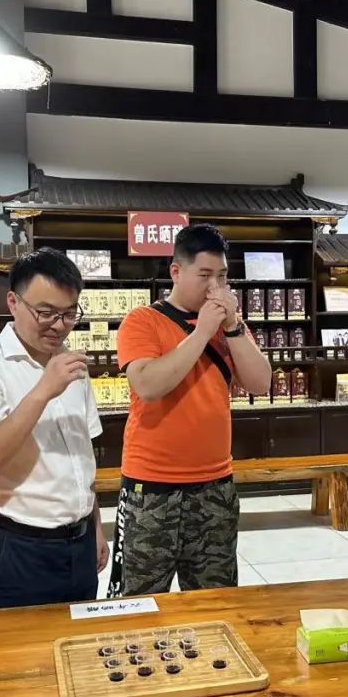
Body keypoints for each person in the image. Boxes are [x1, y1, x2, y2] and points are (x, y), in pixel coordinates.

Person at [108, 223, 272, 597]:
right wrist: (201, 333)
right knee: (142, 600)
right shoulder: (142, 321)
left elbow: (260, 383)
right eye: (205, 275)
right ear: (176, 272)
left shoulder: (230, 326)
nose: (216, 288)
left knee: (215, 599)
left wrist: (232, 327)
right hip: (151, 487)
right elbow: (148, 385)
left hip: (216, 485)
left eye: (222, 277)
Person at [0, 247, 105, 610]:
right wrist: (43, 390)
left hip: (81, 540)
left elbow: (81, 457)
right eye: (46, 312)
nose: (59, 325)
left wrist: (96, 525)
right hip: (19, 548)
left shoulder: (70, 362)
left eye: (69, 313)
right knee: (15, 644)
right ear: (13, 302)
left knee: (79, 641)